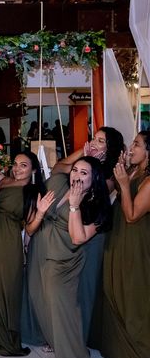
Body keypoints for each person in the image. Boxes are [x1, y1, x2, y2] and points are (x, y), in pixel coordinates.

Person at [26, 157, 111, 358]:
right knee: (40, 298)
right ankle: (55, 342)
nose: (77, 176)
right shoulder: (58, 184)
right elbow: (32, 224)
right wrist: (41, 213)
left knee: (63, 308)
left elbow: (77, 238)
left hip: (64, 258)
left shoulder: (98, 206)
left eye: (84, 173)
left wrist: (74, 206)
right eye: (75, 170)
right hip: (41, 250)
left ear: (94, 179)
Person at [46, 126, 124, 341]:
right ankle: (67, 335)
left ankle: (84, 336)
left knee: (86, 286)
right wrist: (83, 155)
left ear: (110, 149)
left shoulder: (108, 175)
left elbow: (97, 196)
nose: (95, 143)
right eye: (94, 138)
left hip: (91, 232)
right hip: (73, 228)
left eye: (100, 141)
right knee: (73, 289)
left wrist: (91, 165)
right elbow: (57, 169)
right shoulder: (83, 163)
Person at [0, 151, 45, 357]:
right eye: (15, 164)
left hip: (7, 241)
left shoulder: (33, 191)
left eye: (23, 165)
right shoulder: (4, 181)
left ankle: (5, 337)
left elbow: (30, 228)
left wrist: (40, 213)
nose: (17, 168)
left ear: (33, 170)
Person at [99, 131, 150, 358]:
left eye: (137, 144)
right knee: (114, 284)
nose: (132, 147)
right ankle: (117, 340)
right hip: (118, 235)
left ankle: (139, 347)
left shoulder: (149, 181)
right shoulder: (132, 171)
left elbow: (132, 216)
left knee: (132, 289)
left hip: (135, 239)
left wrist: (123, 185)